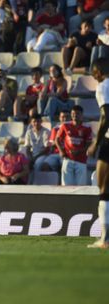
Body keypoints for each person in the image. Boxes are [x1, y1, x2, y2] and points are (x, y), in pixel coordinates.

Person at [87, 58, 109, 248]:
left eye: (94, 73)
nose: (94, 77)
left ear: (99, 72)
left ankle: (105, 239)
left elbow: (106, 116)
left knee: (104, 189)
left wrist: (96, 142)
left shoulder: (103, 87)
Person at [55, 105, 92, 185]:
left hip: (81, 160)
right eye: (73, 114)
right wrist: (61, 151)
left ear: (82, 115)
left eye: (77, 114)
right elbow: (57, 139)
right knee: (66, 186)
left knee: (81, 186)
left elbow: (89, 144)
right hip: (67, 159)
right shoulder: (65, 125)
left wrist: (79, 151)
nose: (75, 115)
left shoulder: (87, 128)